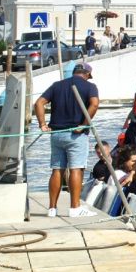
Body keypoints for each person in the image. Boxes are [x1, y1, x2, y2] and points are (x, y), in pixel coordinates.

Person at [33, 61, 99, 218]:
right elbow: (95, 104)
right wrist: (84, 124)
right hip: (76, 134)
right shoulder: (90, 87)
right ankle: (75, 208)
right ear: (87, 74)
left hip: (57, 134)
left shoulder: (57, 85)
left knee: (57, 169)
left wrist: (42, 124)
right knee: (77, 168)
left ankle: (52, 209)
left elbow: (39, 103)